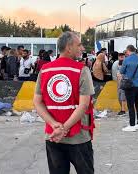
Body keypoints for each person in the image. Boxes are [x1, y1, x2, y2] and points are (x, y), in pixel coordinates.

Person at [33, 32, 95, 174]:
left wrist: (55, 125)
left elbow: (37, 102)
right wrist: (64, 129)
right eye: (79, 45)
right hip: (78, 137)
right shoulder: (82, 70)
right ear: (69, 47)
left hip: (53, 136)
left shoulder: (45, 70)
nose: (82, 48)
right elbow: (84, 105)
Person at [120, 45, 138, 132]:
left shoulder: (127, 60)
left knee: (130, 106)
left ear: (128, 50)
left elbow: (121, 71)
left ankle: (132, 125)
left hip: (130, 85)